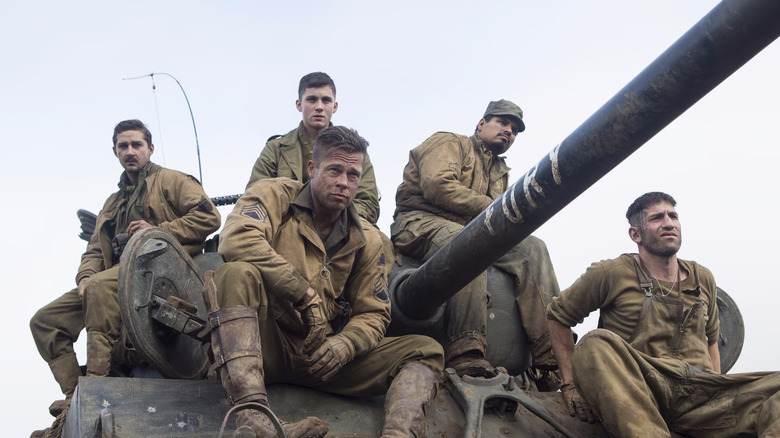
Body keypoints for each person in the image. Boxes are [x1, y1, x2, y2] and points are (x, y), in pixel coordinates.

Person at [209, 126, 444, 437]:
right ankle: (253, 418)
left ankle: (399, 434)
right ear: (312, 168)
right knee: (235, 274)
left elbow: (374, 313)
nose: (343, 182)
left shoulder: (368, 241)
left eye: (352, 174)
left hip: (323, 359)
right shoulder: (275, 195)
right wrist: (301, 292)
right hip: (265, 346)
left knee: (425, 349)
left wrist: (345, 345)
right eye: (334, 170)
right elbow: (236, 239)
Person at [29, 119, 222, 438]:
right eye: (123, 146)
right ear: (115, 151)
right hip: (115, 278)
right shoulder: (114, 201)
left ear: (150, 148)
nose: (130, 151)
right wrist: (86, 275)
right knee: (45, 321)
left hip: (156, 273)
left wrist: (159, 231)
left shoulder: (172, 181)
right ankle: (72, 395)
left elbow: (208, 217)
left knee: (100, 289)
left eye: (136, 145)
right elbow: (94, 248)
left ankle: (97, 384)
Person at [546, 192, 780, 437]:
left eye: (673, 216)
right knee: (594, 343)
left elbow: (711, 341)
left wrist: (717, 388)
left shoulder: (703, 278)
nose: (669, 223)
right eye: (657, 218)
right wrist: (570, 384)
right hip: (644, 388)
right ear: (636, 234)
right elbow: (558, 316)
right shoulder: (611, 273)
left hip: (700, 395)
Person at [391, 99, 560, 383]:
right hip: (418, 222)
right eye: (503, 123)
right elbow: (438, 186)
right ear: (482, 124)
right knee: (469, 243)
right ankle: (466, 349)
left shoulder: (500, 172)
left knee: (533, 247)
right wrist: (497, 208)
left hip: (472, 230)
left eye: (515, 130)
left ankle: (550, 354)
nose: (509, 131)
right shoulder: (449, 142)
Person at [246, 71, 380, 224]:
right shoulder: (276, 149)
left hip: (339, 231)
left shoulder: (354, 152)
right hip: (285, 228)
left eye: (326, 101)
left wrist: (331, 217)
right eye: (312, 100)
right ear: (299, 104)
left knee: (378, 241)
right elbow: (255, 196)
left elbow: (368, 205)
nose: (319, 107)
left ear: (335, 106)